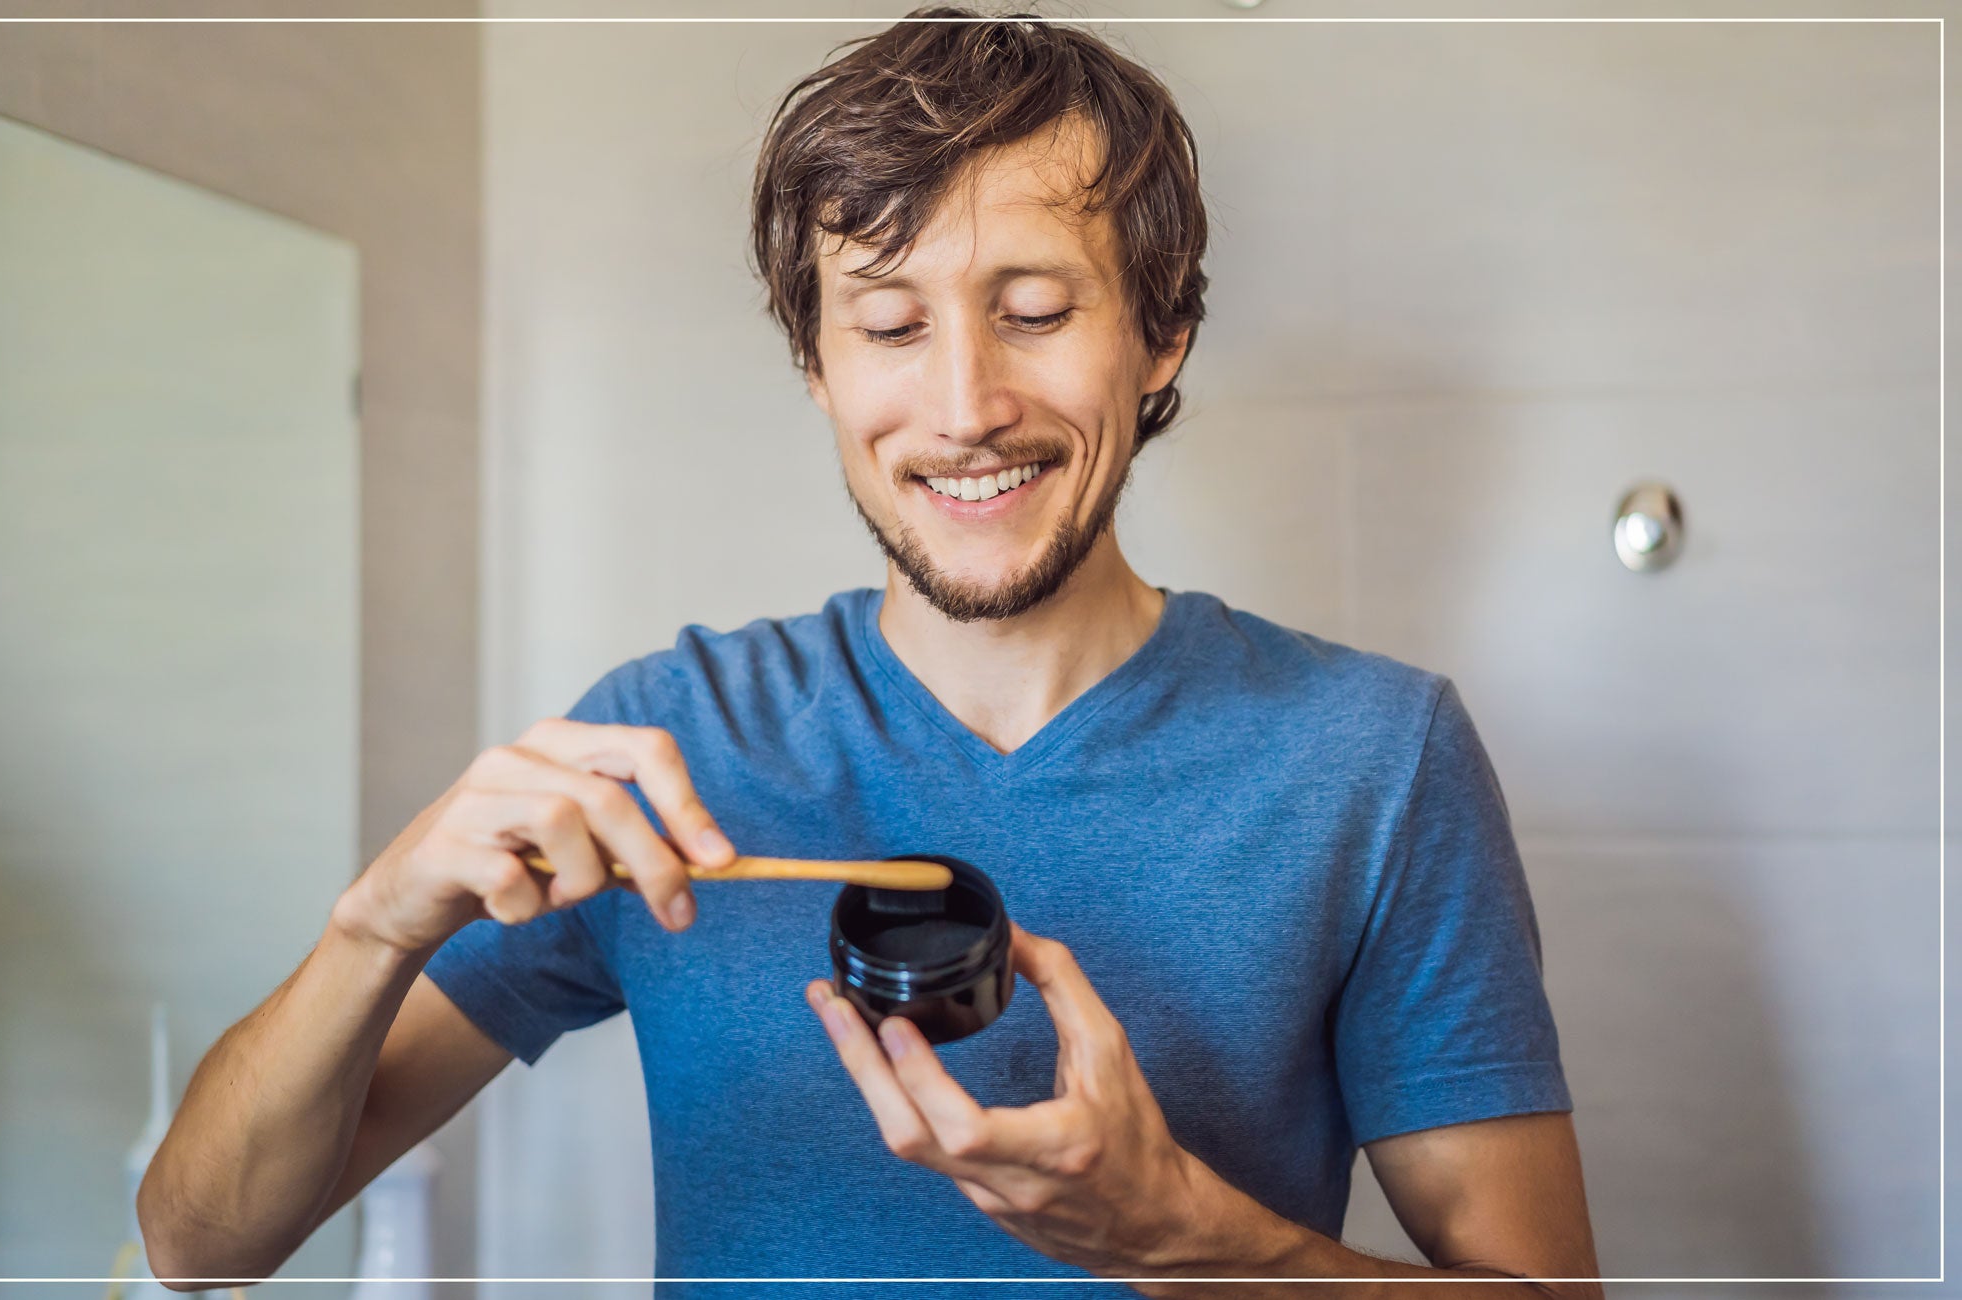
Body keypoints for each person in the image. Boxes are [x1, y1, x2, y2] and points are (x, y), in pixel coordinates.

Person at [138, 10, 1603, 1297]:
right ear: (819, 364)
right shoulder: (667, 744)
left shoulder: (1374, 757)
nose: (964, 403)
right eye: (890, 325)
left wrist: (1186, 1239)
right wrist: (374, 926)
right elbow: (201, 1244)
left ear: (1160, 335)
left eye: (1034, 313)